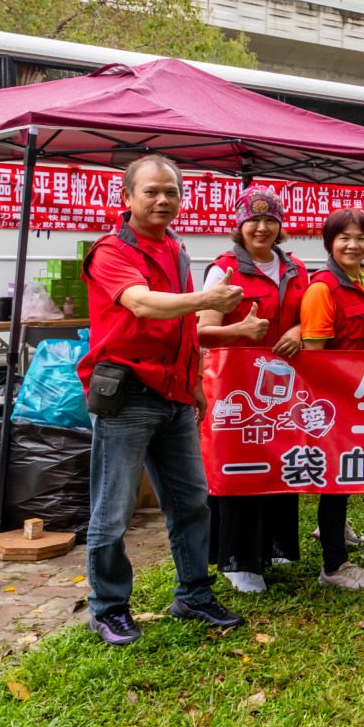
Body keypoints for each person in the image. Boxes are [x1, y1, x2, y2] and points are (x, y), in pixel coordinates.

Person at [79, 154, 246, 645]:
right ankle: (108, 608)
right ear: (127, 197)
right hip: (127, 396)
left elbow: (182, 325)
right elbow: (141, 304)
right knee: (113, 511)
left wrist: (194, 383)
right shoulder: (110, 251)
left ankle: (193, 593)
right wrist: (208, 300)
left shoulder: (175, 248)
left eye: (171, 191)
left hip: (173, 395)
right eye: (151, 191)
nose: (162, 200)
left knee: (191, 502)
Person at [197, 188, 308, 595]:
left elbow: (310, 316)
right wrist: (240, 330)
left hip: (283, 387)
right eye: (253, 220)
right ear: (239, 225)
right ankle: (238, 559)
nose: (262, 228)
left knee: (278, 463)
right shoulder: (223, 270)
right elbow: (201, 332)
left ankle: (272, 547)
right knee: (240, 471)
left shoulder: (295, 268)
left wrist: (299, 330)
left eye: (270, 220)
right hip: (236, 390)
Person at [301, 208, 364, 592]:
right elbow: (315, 356)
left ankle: (334, 533)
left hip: (362, 398)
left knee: (344, 476)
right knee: (334, 481)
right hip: (336, 402)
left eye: (360, 238)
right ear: (329, 243)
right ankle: (333, 566)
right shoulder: (322, 289)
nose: (353, 245)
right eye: (344, 238)